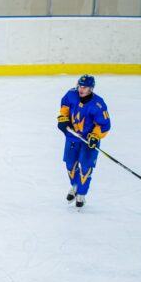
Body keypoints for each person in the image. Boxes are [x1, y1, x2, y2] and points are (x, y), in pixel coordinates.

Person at [57, 74, 111, 208]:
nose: (81, 89)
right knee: (70, 165)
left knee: (85, 168)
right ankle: (75, 186)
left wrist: (95, 136)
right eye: (80, 86)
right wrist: (63, 119)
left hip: (88, 140)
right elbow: (64, 108)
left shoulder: (98, 104)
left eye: (85, 87)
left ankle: (81, 194)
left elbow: (104, 125)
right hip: (72, 137)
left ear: (91, 89)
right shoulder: (71, 95)